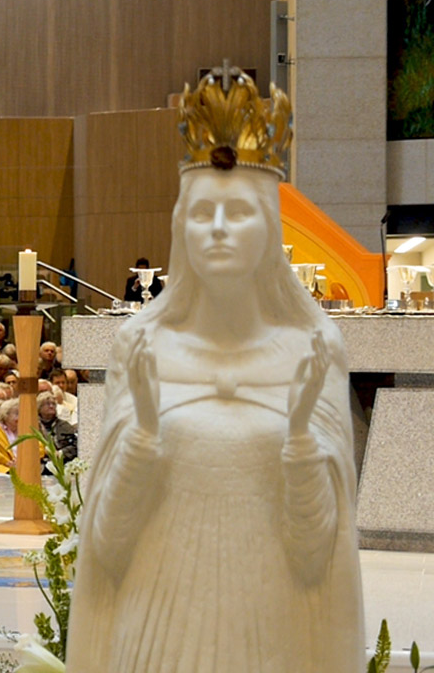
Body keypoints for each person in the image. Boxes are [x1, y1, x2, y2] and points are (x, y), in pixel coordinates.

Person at [68, 72, 362, 672]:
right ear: (181, 227)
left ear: (270, 230)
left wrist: (302, 438)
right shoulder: (141, 343)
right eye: (203, 212)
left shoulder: (312, 348)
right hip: (156, 631)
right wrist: (144, 437)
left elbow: (316, 559)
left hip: (269, 632)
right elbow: (107, 544)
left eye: (239, 211)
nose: (220, 228)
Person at [37, 391, 77, 463]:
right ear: (39, 407)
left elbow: (76, 445)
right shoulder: (33, 427)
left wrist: (61, 453)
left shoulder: (65, 426)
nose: (51, 406)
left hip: (63, 463)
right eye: (48, 404)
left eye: (53, 404)